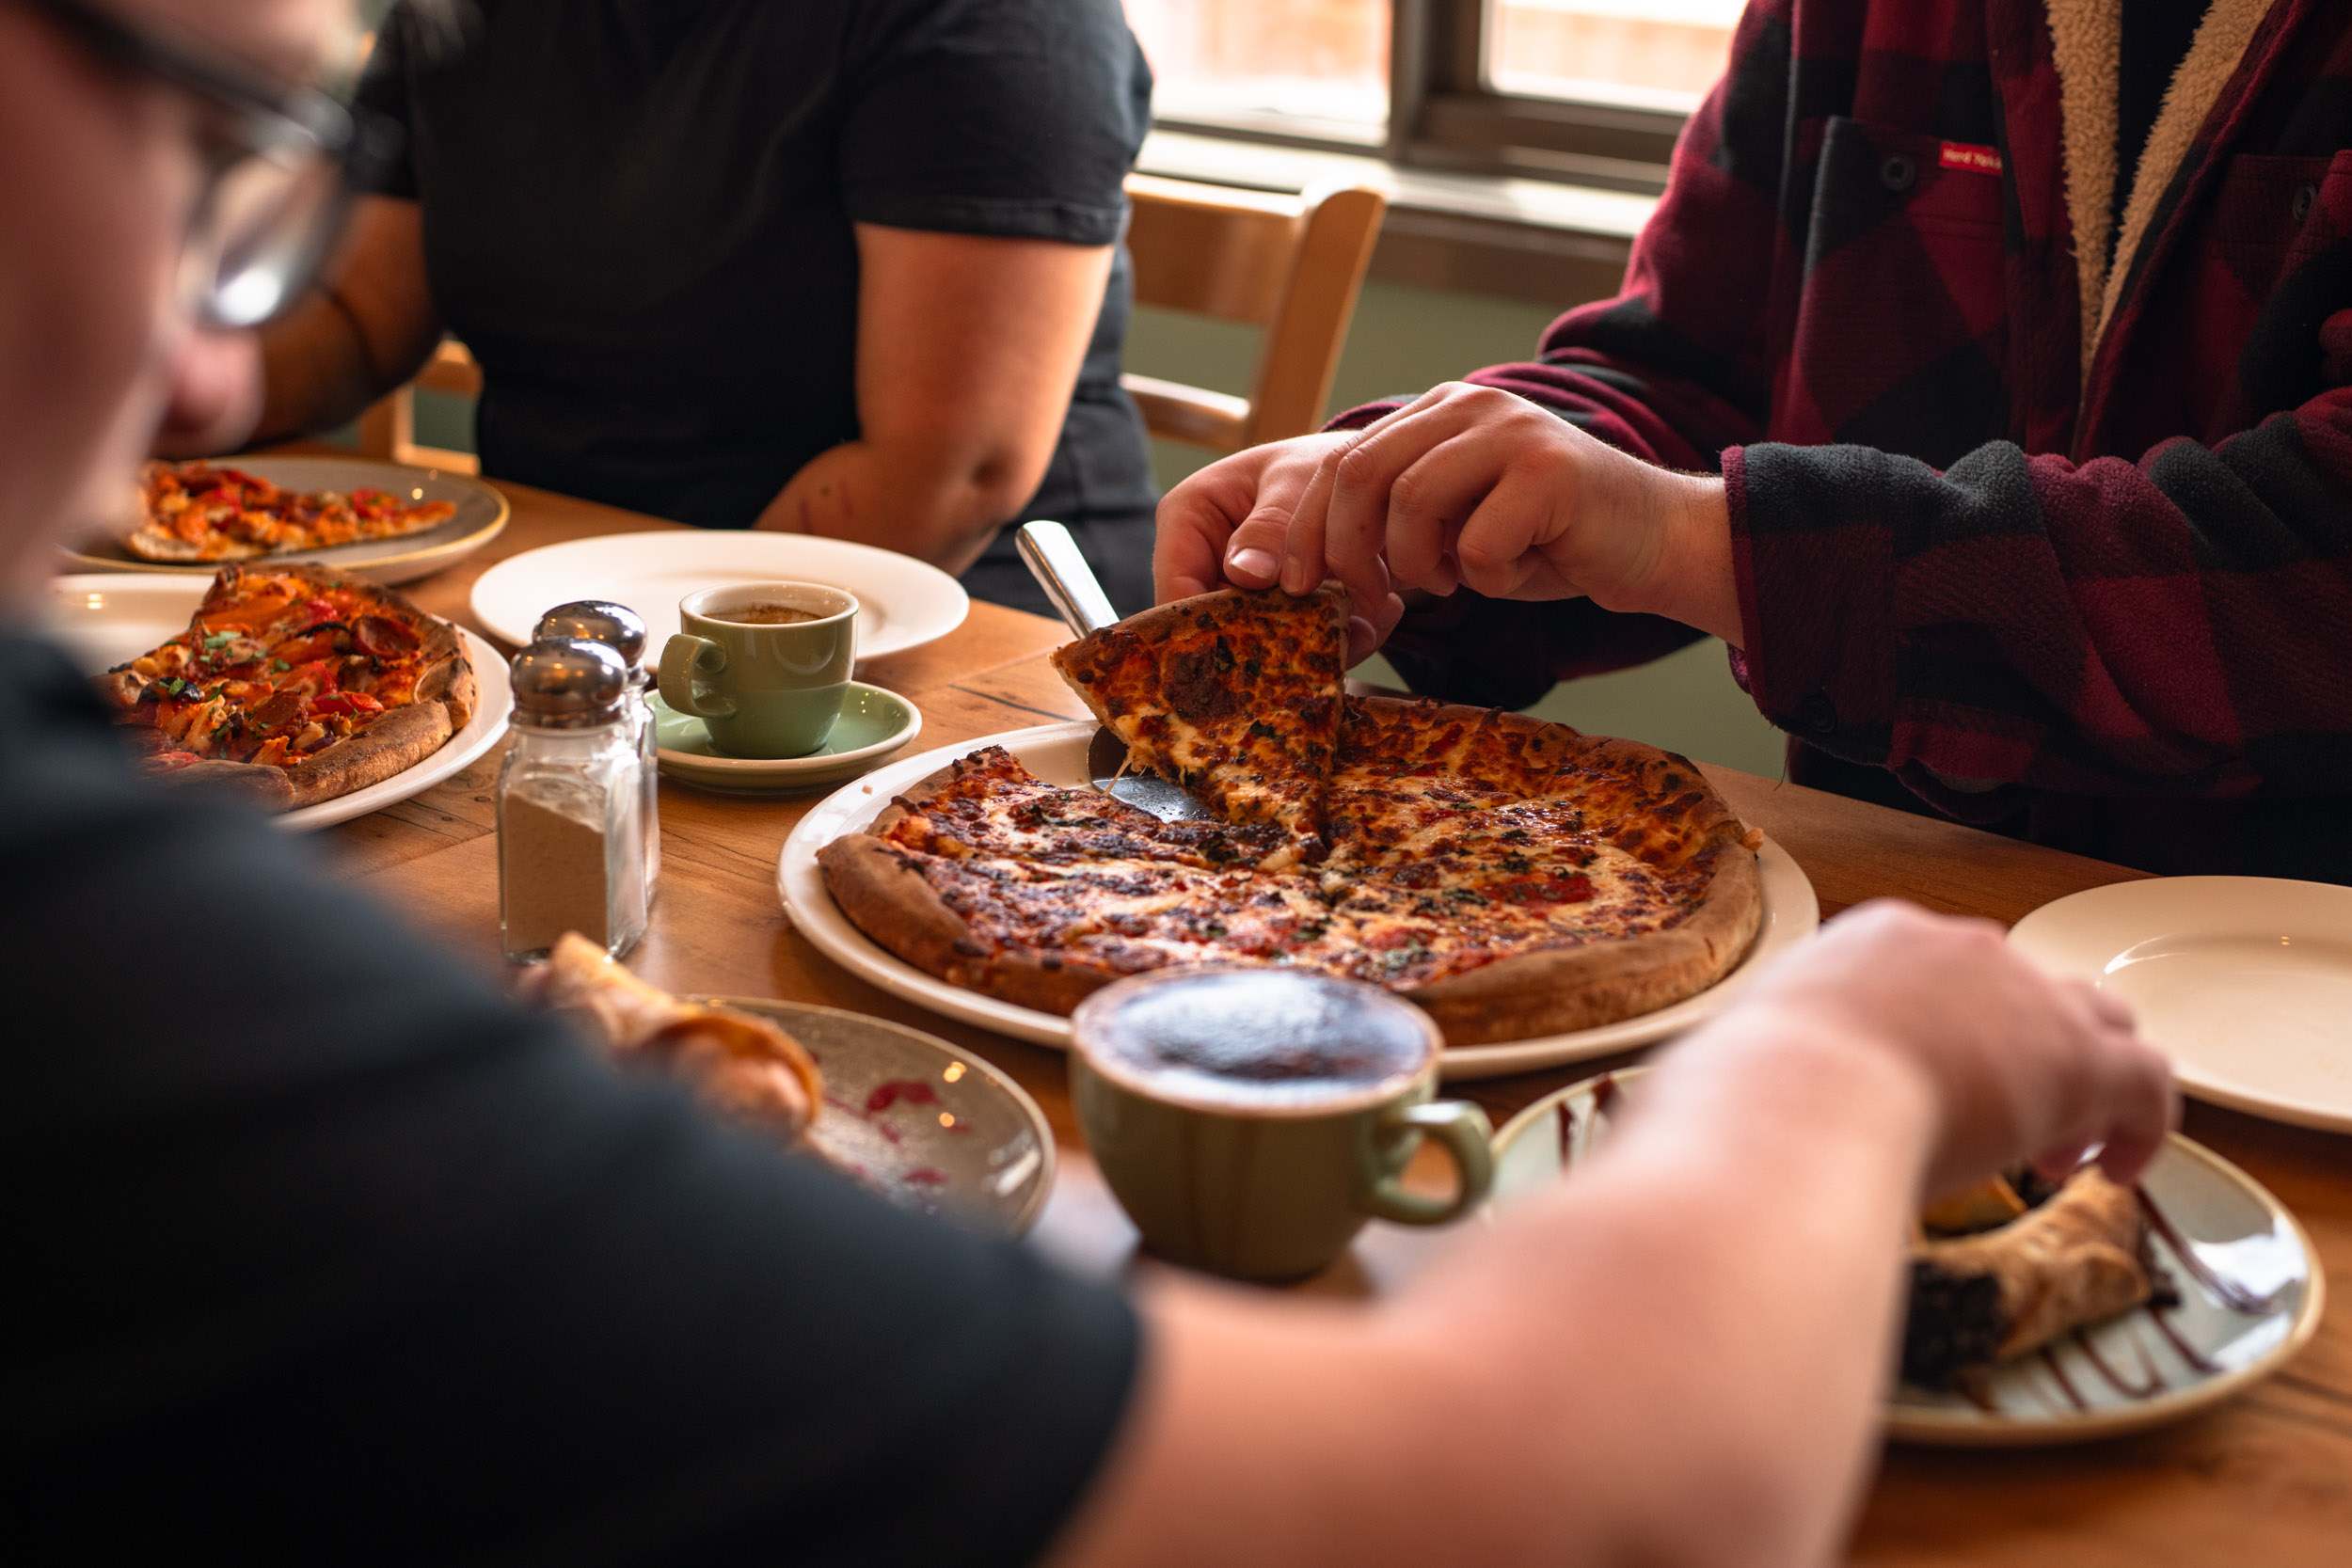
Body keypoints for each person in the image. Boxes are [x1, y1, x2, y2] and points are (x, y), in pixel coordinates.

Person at [5, 2, 2175, 1562]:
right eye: (213, 144)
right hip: (1829, 1016)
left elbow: (971, 462)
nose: (206, 362)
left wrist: (1531, 481)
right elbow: (1549, 1499)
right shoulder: (113, 976)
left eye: (244, 170)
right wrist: (1839, 1057)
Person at [1158, 0, 2352, 885]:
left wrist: (1696, 535)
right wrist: (1401, 480)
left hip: (2297, 987)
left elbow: (2319, 558)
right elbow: (1684, 370)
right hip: (1872, 915)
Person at [161, 0, 1164, 616]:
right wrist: (153, 388)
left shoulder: (997, 19)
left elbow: (947, 470)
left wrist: (637, 669)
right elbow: (357, 312)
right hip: (551, 583)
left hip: (936, 618)